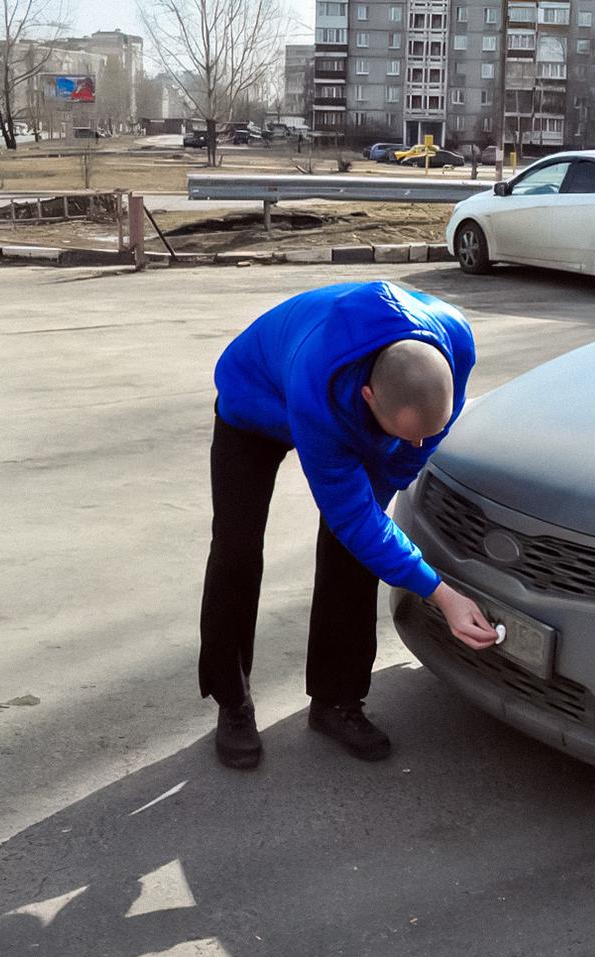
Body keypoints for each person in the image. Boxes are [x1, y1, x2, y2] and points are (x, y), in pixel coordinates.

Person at [199, 280, 498, 769]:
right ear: (368, 397)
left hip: (350, 399)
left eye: (427, 434)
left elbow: (402, 465)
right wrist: (440, 593)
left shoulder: (454, 342)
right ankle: (232, 702)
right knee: (238, 547)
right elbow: (354, 515)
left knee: (356, 550)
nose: (420, 446)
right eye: (408, 436)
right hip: (256, 402)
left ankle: (337, 701)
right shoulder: (317, 388)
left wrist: (388, 480)